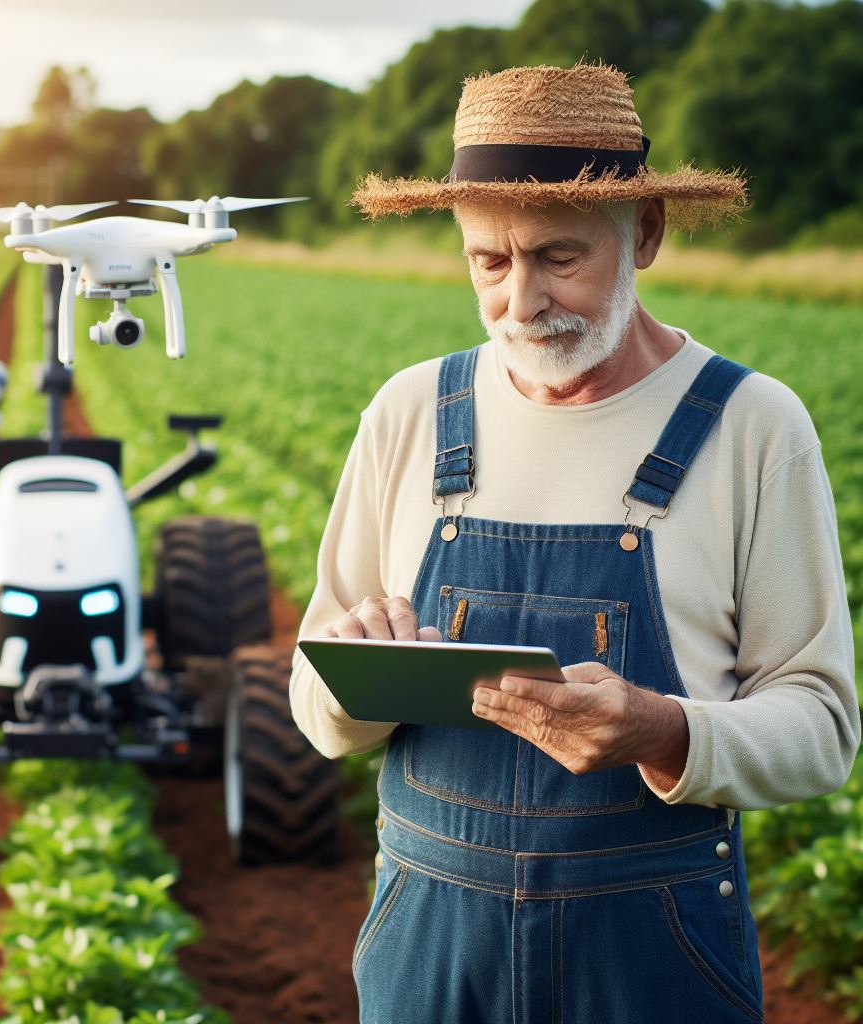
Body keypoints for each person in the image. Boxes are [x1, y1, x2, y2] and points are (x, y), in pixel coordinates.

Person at [288, 62, 860, 1023]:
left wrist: (664, 730)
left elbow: (823, 728)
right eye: (489, 262)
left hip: (649, 955)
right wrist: (357, 671)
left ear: (644, 233)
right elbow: (314, 703)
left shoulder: (753, 425)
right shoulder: (413, 413)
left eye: (559, 256)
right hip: (433, 948)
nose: (521, 302)